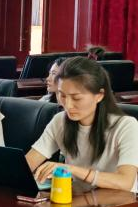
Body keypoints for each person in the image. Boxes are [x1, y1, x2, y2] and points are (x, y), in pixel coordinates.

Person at [26, 57, 138, 192]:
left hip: (121, 201)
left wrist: (72, 169)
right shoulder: (60, 121)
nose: (68, 105)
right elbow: (29, 163)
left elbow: (125, 181)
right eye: (62, 95)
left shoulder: (126, 126)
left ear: (99, 95)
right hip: (81, 198)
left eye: (76, 98)